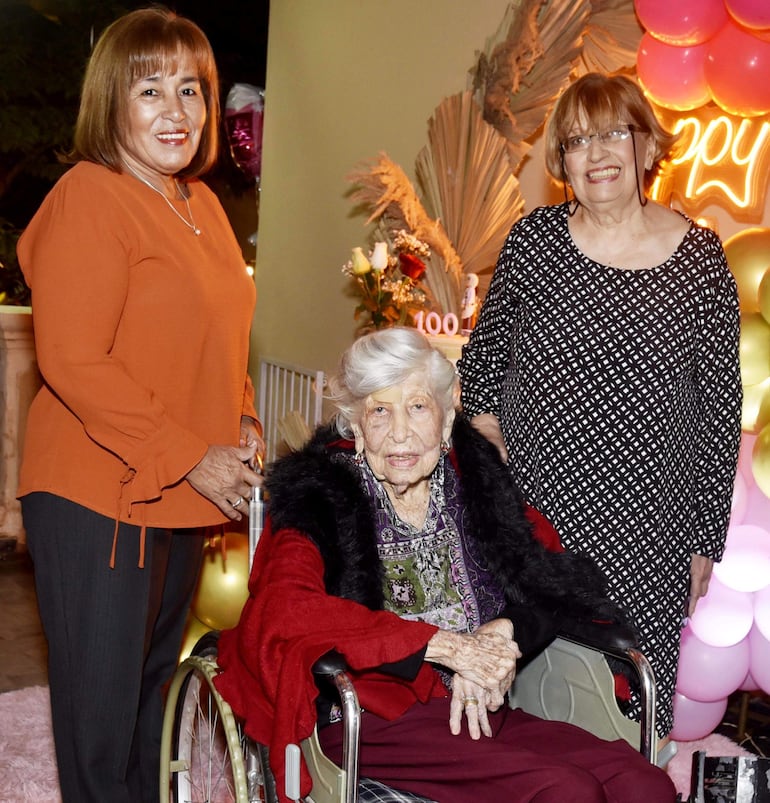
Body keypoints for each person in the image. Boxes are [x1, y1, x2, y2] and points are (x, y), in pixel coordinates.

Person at [214, 327, 676, 803]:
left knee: (644, 784)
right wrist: (449, 648)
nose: (400, 433)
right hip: (377, 720)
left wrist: (501, 632)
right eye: (379, 411)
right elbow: (285, 610)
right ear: (356, 427)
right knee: (566, 792)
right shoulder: (320, 500)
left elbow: (548, 581)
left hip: (482, 713)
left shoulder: (475, 484)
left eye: (417, 406)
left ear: (446, 417)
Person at [16, 8, 264, 802]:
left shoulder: (203, 205)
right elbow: (73, 359)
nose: (176, 109)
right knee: (101, 718)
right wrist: (194, 453)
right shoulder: (89, 196)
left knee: (154, 700)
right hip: (99, 492)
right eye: (150, 89)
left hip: (179, 487)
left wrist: (241, 418)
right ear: (110, 101)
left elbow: (219, 339)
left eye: (191, 89)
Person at [458, 72, 742, 744]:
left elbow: (718, 411)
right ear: (563, 163)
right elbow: (482, 367)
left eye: (614, 132)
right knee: (525, 715)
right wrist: (495, 472)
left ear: (648, 146)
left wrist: (704, 540)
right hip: (538, 524)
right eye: (578, 141)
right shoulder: (534, 242)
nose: (598, 153)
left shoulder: (701, 261)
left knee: (627, 719)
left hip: (651, 533)